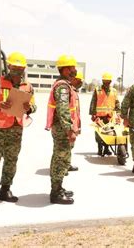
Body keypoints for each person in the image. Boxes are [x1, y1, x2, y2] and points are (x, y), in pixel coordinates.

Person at [0, 52, 36, 202]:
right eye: (14, 67)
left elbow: (34, 106)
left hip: (16, 129)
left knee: (11, 160)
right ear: (9, 66)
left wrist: (29, 107)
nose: (17, 70)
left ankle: (5, 190)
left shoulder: (27, 86)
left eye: (20, 68)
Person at [45, 55, 80, 204]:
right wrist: (69, 129)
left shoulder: (64, 84)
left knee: (59, 158)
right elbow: (63, 108)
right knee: (60, 160)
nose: (74, 70)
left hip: (60, 128)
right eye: (72, 68)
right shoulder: (62, 86)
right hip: (62, 129)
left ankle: (58, 188)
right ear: (65, 70)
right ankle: (56, 193)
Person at [89, 72, 121, 156]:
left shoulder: (114, 91)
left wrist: (118, 113)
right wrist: (93, 114)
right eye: (105, 81)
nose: (106, 83)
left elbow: (117, 103)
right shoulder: (98, 90)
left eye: (108, 81)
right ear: (103, 81)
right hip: (99, 116)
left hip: (109, 117)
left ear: (110, 81)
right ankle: (100, 149)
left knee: (108, 133)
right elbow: (93, 102)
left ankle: (106, 149)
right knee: (99, 133)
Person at [66, 71, 84, 173]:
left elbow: (76, 110)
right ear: (74, 79)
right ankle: (62, 167)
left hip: (74, 123)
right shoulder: (69, 90)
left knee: (70, 146)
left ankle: (67, 164)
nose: (80, 83)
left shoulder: (74, 91)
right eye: (79, 81)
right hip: (69, 124)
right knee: (65, 147)